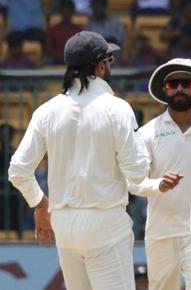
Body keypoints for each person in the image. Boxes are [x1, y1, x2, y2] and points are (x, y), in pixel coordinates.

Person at [8, 31, 149, 289]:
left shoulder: (46, 110)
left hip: (64, 223)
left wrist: (39, 203)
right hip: (105, 222)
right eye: (109, 62)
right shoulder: (116, 108)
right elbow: (138, 172)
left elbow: (18, 170)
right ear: (101, 66)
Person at [128, 58, 191, 290]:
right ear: (165, 90)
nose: (180, 89)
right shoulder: (147, 133)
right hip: (161, 233)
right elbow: (133, 182)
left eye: (186, 83)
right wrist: (157, 185)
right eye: (173, 84)